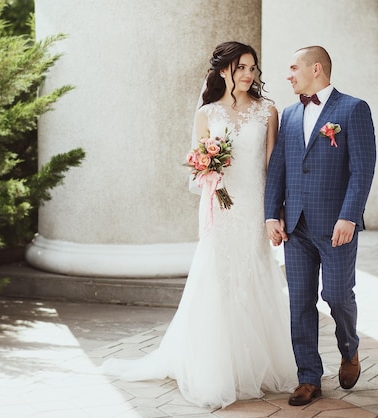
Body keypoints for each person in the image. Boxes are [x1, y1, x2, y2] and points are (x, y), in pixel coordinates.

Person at [102, 41, 297, 408]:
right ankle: (219, 369)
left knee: (255, 274)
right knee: (219, 280)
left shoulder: (268, 112)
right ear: (224, 70)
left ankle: (259, 365)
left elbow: (274, 167)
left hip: (255, 207)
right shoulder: (206, 114)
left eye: (253, 68)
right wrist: (212, 176)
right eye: (241, 68)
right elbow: (198, 169)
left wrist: (276, 211)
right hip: (221, 209)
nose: (248, 75)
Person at [264, 45, 377, 406]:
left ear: (316, 68)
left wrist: (349, 215)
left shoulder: (353, 109)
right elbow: (278, 168)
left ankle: (349, 347)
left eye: (293, 67)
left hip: (336, 226)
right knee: (299, 302)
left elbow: (362, 169)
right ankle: (308, 378)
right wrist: (271, 213)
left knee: (337, 297)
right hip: (295, 226)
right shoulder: (289, 114)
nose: (288, 74)